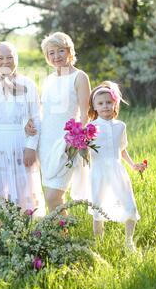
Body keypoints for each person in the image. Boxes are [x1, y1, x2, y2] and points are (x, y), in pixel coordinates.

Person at [0, 41, 46, 226]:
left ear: (16, 59)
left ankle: (22, 239)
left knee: (22, 193)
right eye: (0, 58)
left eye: (10, 57)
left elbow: (36, 117)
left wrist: (31, 147)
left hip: (20, 143)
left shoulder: (27, 83)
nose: (5, 61)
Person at [26, 32, 91, 212]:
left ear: (69, 51)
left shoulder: (79, 77)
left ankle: (63, 236)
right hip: (45, 142)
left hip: (65, 143)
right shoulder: (49, 80)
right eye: (51, 53)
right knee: (53, 198)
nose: (56, 56)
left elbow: (86, 114)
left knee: (53, 196)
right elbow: (42, 110)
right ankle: (62, 238)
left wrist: (76, 143)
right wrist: (31, 122)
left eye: (60, 51)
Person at [87, 81, 146, 251]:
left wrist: (133, 165)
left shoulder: (121, 126)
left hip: (117, 170)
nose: (105, 106)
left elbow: (122, 149)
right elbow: (84, 150)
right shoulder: (91, 127)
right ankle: (99, 244)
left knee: (130, 206)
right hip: (98, 172)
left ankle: (129, 242)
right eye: (100, 103)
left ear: (115, 104)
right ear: (94, 106)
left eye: (108, 102)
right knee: (99, 208)